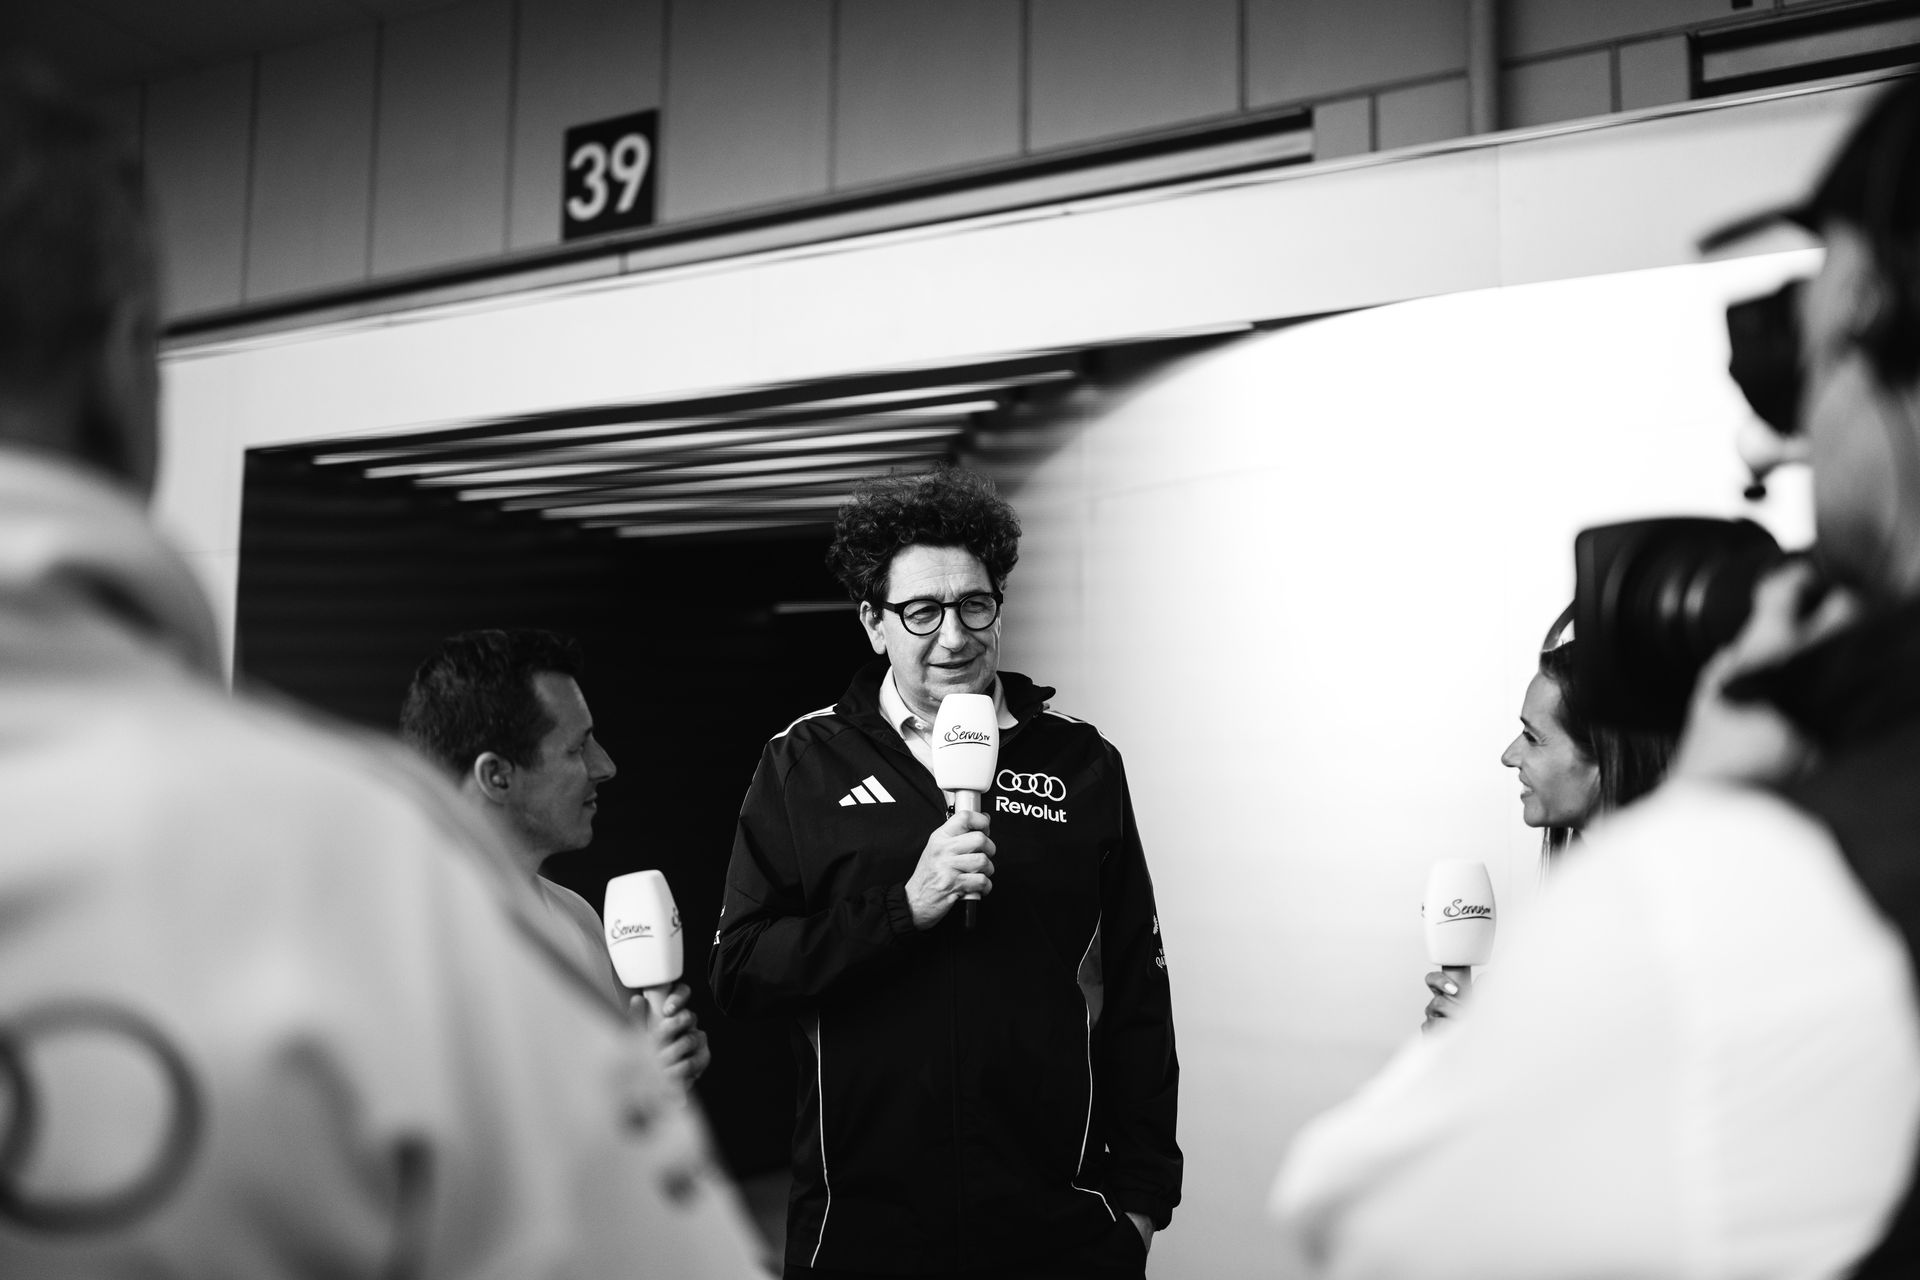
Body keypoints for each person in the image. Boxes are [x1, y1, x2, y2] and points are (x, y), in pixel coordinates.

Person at [0, 63, 763, 1276]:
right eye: (579, 744)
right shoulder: (373, 875)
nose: (611, 765)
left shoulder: (495, 904)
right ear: (122, 366)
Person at [1274, 76, 1920, 1279]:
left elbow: (1361, 1220)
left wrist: (1706, 825)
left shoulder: (1773, 892)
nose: (1775, 440)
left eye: (1819, 355)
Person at [709, 467, 1181, 1279]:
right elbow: (743, 970)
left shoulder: (1081, 761)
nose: (954, 637)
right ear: (873, 623)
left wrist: (1136, 1208)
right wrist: (902, 907)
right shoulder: (801, 764)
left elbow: (1139, 992)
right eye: (922, 611)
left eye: (975, 605)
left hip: (1057, 1233)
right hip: (863, 1234)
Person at [400, 628, 711, 1084]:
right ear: (497, 776)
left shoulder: (579, 917)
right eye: (577, 747)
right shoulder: (398, 939)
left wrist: (659, 1073)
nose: (605, 766)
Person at [1423, 617, 1676, 1027]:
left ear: (1605, 757)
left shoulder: (1654, 927)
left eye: (1533, 737)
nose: (1509, 755)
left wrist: (1504, 1046)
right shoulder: (1576, 914)